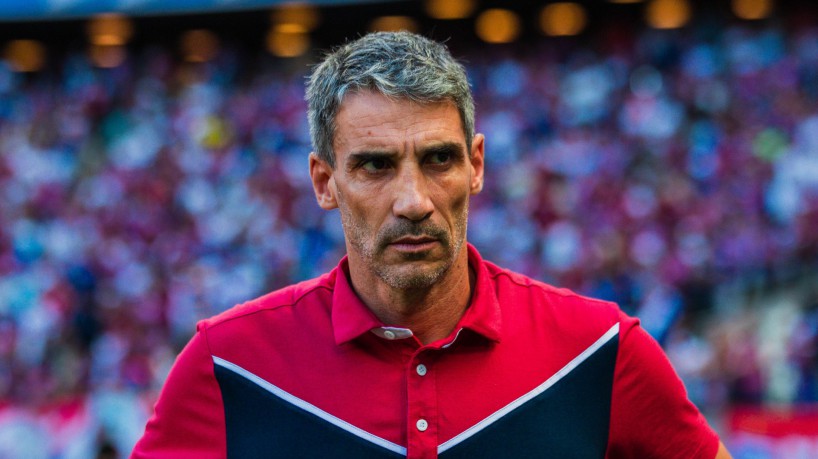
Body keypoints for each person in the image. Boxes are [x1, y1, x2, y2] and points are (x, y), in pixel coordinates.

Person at [131, 31, 732, 459]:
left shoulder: (599, 351)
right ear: (325, 182)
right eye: (374, 166)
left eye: (438, 158)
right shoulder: (229, 365)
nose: (413, 200)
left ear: (475, 166)